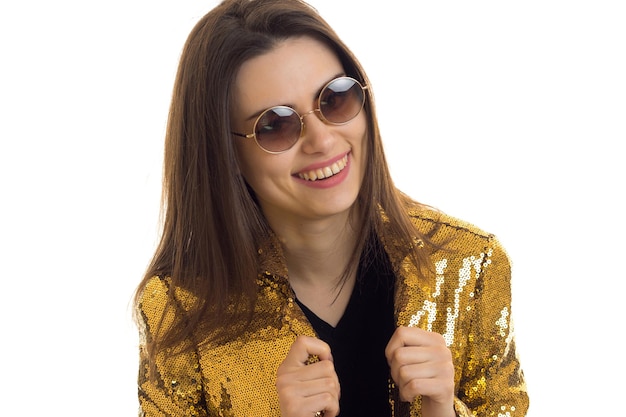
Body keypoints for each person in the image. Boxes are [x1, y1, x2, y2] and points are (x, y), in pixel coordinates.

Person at [134, 0, 530, 416]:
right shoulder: (180, 309)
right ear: (223, 153)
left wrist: (444, 412)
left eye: (335, 99)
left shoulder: (469, 265)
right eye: (275, 125)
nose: (322, 141)